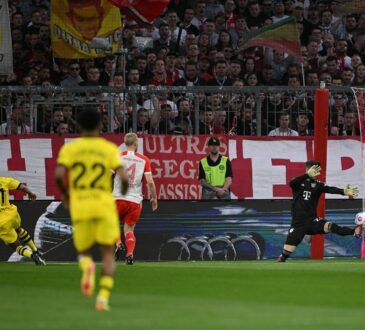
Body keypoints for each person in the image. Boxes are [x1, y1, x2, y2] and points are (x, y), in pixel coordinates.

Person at [54, 108, 129, 312]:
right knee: (108, 255)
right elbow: (123, 176)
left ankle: (87, 268)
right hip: (103, 204)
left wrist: (66, 195)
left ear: (78, 126)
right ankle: (103, 298)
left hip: (81, 204)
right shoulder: (107, 148)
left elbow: (60, 174)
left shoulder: (70, 149)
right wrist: (121, 192)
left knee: (84, 251)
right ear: (100, 125)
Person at [278, 160, 362, 262]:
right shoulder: (298, 182)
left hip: (313, 221)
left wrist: (343, 191)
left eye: (318, 170)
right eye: (314, 170)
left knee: (331, 226)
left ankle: (354, 232)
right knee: (286, 253)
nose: (316, 173)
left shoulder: (318, 185)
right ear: (308, 170)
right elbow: (291, 183)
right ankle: (282, 258)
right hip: (298, 224)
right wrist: (306, 175)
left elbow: (330, 189)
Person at [113, 133, 158, 265]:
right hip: (135, 200)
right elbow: (150, 182)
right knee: (129, 230)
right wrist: (154, 198)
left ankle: (118, 243)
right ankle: (130, 254)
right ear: (136, 144)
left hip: (118, 197)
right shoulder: (144, 160)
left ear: (125, 143)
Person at [0, 177, 45, 265]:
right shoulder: (4, 180)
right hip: (12, 213)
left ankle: (32, 256)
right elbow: (22, 187)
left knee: (15, 245)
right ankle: (35, 250)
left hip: (2, 222)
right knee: (19, 229)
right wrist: (31, 194)